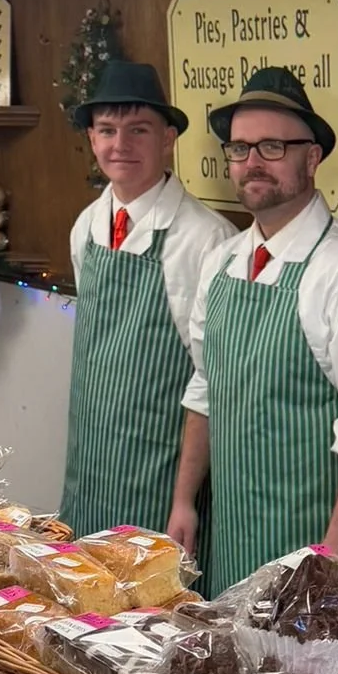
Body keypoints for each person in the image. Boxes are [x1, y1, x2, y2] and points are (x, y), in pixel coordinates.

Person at [168, 67, 338, 594]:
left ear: (312, 157)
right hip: (232, 534)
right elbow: (205, 389)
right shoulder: (223, 261)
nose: (252, 162)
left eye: (272, 147)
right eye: (240, 148)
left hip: (314, 547)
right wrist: (185, 501)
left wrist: (337, 541)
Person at [59, 60, 231, 537]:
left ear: (168, 139)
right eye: (107, 130)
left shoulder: (204, 238)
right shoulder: (86, 227)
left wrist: (183, 498)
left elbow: (211, 376)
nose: (121, 145)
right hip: (89, 464)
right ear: (92, 139)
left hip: (161, 468)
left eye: (139, 130)